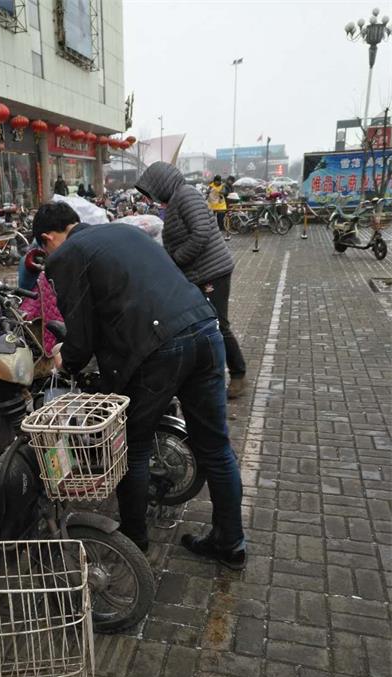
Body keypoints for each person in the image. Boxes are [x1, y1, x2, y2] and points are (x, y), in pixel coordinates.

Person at [32, 201, 246, 569]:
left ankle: (134, 543)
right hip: (205, 329)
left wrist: (66, 358)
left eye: (44, 248)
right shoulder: (124, 230)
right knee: (215, 447)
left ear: (48, 238)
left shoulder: (66, 254)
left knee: (133, 445)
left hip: (160, 347)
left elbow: (80, 334)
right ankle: (231, 542)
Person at [136, 161, 247, 399]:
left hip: (213, 272)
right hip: (199, 273)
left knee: (218, 324)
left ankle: (238, 373)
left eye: (151, 192)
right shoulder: (176, 200)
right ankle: (206, 373)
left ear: (160, 183)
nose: (151, 198)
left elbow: (200, 233)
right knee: (203, 323)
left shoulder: (186, 195)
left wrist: (176, 259)